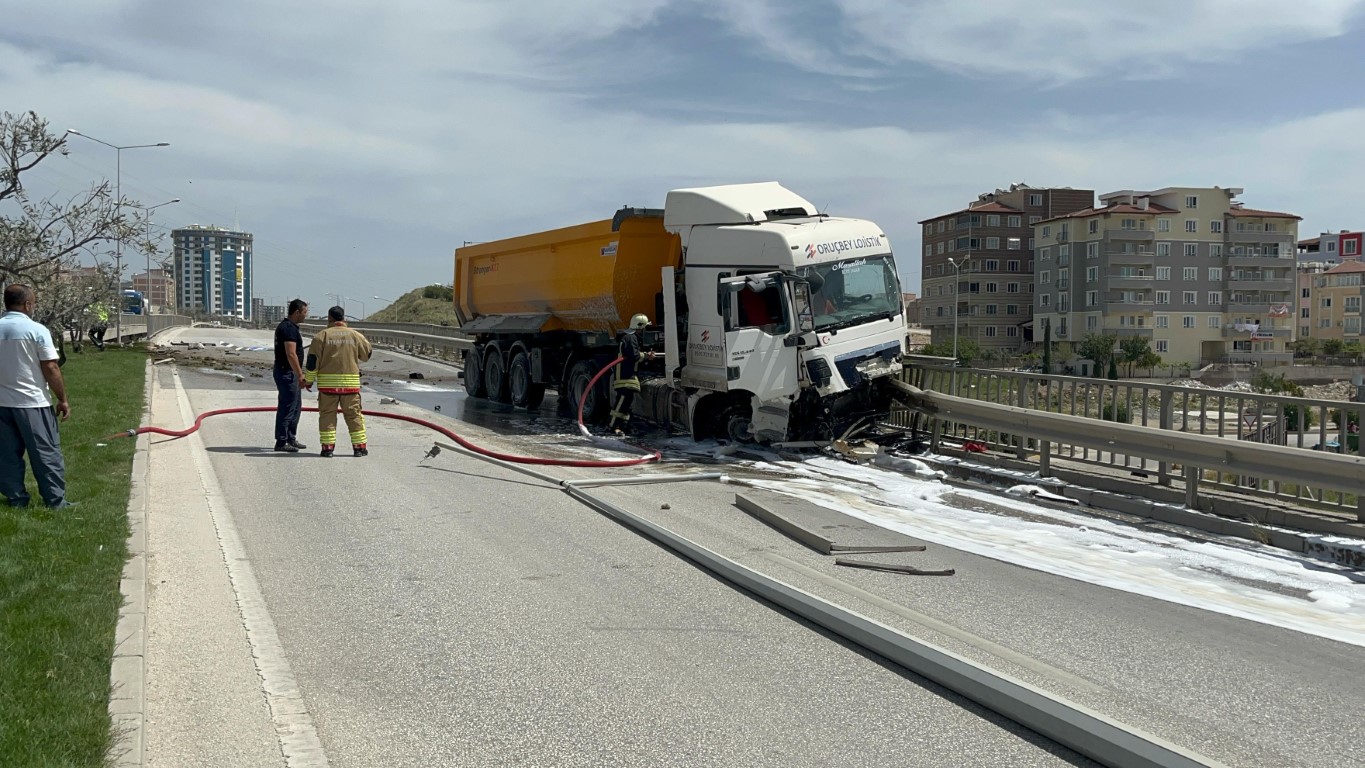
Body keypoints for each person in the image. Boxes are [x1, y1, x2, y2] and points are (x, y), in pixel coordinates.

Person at [0, 284, 72, 509]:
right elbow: (51, 367)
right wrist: (62, 398)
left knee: (6, 455)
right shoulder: (36, 330)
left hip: (2, 403)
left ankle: (16, 498)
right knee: (45, 453)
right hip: (32, 402)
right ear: (27, 304)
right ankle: (55, 500)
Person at [303, 306, 372, 457]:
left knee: (327, 416)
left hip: (327, 387)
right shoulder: (355, 335)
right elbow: (367, 354)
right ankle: (359, 448)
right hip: (350, 386)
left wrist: (308, 381)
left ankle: (327, 449)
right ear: (343, 317)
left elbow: (312, 362)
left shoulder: (321, 336)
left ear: (329, 318)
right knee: (354, 416)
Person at [272, 299, 309, 452]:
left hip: (290, 373)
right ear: (297, 312)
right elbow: (291, 354)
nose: (306, 315)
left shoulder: (291, 328)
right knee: (287, 407)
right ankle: (281, 441)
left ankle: (290, 438)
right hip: (287, 372)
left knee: (295, 407)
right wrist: (300, 375)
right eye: (305, 312)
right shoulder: (288, 329)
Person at [609, 313, 654, 435]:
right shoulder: (630, 338)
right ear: (640, 327)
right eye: (644, 328)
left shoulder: (631, 338)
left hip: (628, 375)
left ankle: (624, 426)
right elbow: (633, 356)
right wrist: (647, 356)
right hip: (625, 375)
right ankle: (612, 426)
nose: (644, 331)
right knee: (622, 400)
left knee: (627, 402)